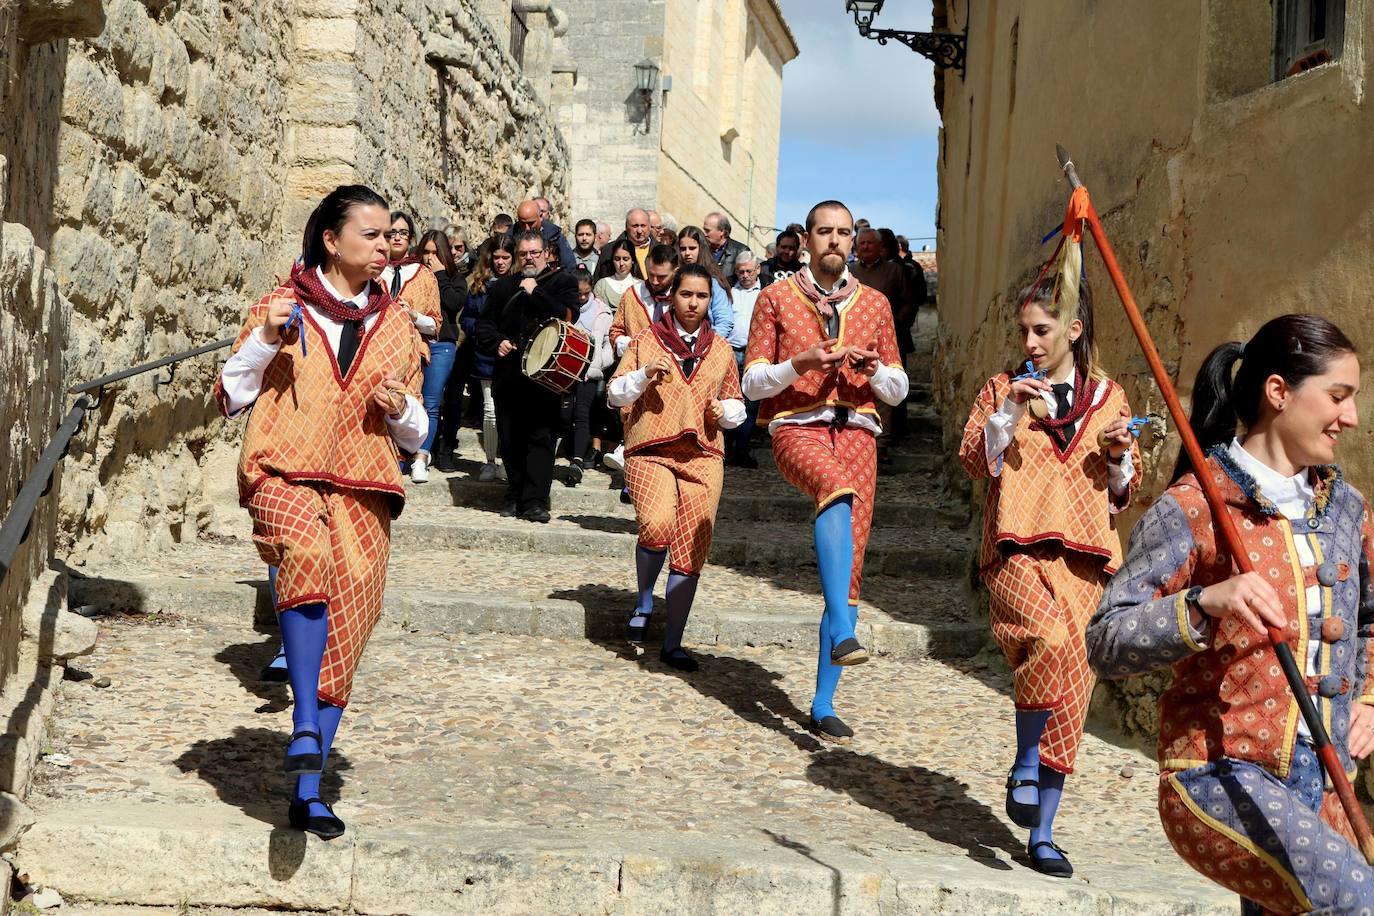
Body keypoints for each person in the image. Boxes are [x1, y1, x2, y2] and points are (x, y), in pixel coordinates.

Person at [1086, 315, 1374, 912]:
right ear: (1279, 392)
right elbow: (1106, 641)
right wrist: (1200, 606)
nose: (1350, 417)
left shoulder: (1348, 510)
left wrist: (1369, 698)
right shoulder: (1196, 505)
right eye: (1337, 396)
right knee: (1359, 900)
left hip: (1326, 787)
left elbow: (1371, 619)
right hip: (1219, 775)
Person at [213, 184, 427, 840]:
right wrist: (265, 340)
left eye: (389, 236)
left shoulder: (398, 325)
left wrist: (402, 410)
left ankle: (308, 793)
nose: (385, 246)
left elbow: (418, 433)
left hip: (365, 483)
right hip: (283, 468)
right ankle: (304, 719)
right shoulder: (282, 307)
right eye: (371, 234)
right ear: (332, 240)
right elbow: (229, 393)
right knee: (303, 554)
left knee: (351, 627)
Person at [958, 274, 1139, 878]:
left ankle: (1043, 834)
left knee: (1076, 684)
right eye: (1024, 332)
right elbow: (974, 460)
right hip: (1016, 545)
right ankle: (1025, 762)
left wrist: (1117, 455)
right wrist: (1009, 411)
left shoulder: (1110, 398)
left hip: (1086, 556)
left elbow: (1122, 492)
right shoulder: (1000, 389)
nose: (1031, 343)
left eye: (1042, 330)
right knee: (1049, 640)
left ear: (1074, 330)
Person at [742, 200, 908, 745]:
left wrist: (875, 370)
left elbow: (898, 390)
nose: (834, 240)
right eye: (824, 232)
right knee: (834, 487)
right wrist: (802, 364)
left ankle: (822, 703)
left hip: (858, 431)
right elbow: (751, 382)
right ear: (807, 238)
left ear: (852, 240)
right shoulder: (774, 297)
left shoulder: (876, 303)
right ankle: (842, 629)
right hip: (796, 425)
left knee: (852, 563)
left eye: (843, 232)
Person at [609, 264, 745, 671]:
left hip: (703, 456)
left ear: (710, 301)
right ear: (672, 296)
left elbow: (737, 403)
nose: (693, 303)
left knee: (691, 548)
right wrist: (643, 376)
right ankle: (644, 600)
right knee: (656, 525)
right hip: (650, 449)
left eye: (701, 296)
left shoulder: (721, 350)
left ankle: (673, 643)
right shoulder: (646, 340)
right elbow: (615, 394)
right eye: (686, 294)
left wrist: (725, 411)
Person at [475, 230, 579, 522]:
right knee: (511, 438)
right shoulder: (503, 287)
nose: (529, 258)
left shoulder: (563, 282)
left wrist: (537, 292)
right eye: (523, 254)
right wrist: (497, 341)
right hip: (509, 375)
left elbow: (568, 315)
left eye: (534, 253)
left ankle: (535, 501)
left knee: (541, 438)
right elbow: (484, 325)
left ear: (546, 253)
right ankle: (515, 494)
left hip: (546, 377)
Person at [603, 244, 681, 477]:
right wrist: (627, 344)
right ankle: (631, 470)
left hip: (670, 374)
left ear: (675, 271)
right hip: (636, 369)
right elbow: (615, 330)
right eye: (652, 274)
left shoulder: (682, 298)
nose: (655, 281)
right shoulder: (633, 294)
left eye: (662, 277)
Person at [409, 229, 468, 482]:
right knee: (411, 400)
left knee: (431, 402)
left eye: (435, 252)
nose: (429, 257)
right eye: (426, 252)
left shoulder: (455, 279)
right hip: (414, 343)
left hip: (441, 345)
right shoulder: (412, 275)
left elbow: (453, 304)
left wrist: (440, 275)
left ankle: (421, 457)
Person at [459, 235, 515, 482]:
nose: (500, 262)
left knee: (510, 412)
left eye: (506, 257)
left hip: (512, 356)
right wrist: (484, 332)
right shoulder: (479, 284)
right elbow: (467, 318)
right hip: (486, 355)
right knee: (490, 410)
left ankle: (508, 461)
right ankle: (490, 461)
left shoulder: (520, 283)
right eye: (497, 257)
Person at [564, 267, 614, 486]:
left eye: (586, 293)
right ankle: (572, 447)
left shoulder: (601, 311)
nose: (582, 298)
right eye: (579, 294)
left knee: (582, 413)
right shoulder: (566, 306)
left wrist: (599, 364)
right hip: (566, 369)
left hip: (590, 372)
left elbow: (608, 344)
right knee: (565, 413)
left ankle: (577, 460)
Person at [381, 210, 443, 366]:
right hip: (376, 353)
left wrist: (414, 315)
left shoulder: (425, 276)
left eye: (403, 233)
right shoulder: (373, 271)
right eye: (392, 233)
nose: (397, 238)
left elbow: (435, 326)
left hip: (412, 356)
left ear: (411, 238)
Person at [724, 249, 764, 469]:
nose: (745, 275)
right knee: (729, 400)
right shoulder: (730, 291)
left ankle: (742, 450)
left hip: (754, 354)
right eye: (741, 272)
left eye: (749, 271)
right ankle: (725, 449)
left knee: (751, 404)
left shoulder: (766, 291)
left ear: (757, 269)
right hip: (731, 352)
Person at [676, 226, 734, 341]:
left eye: (692, 248)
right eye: (683, 249)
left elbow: (724, 321)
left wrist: (705, 343)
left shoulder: (713, 282)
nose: (687, 253)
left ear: (701, 248)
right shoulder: (675, 277)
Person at [516, 199, 576, 271]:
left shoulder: (555, 235)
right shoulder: (511, 236)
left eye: (531, 223)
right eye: (522, 223)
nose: (527, 228)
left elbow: (569, 265)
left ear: (540, 216)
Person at [591, 237, 643, 310]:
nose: (621, 263)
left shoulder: (640, 286)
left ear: (633, 260)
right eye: (617, 259)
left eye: (625, 259)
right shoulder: (602, 285)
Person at [703, 211, 748, 284]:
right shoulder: (701, 249)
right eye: (704, 230)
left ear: (721, 231)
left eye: (707, 231)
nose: (704, 234)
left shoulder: (741, 251)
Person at [625, 208, 654, 275]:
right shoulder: (612, 251)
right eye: (635, 226)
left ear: (649, 227)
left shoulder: (661, 250)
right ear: (626, 227)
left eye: (643, 226)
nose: (639, 231)